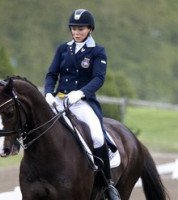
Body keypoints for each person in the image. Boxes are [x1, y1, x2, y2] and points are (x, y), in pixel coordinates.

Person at [44, 9, 120, 200]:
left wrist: (81, 93)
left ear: (89, 29)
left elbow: (98, 78)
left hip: (82, 102)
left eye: (81, 29)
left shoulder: (97, 51)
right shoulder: (63, 49)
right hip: (59, 101)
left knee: (96, 136)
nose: (76, 32)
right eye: (74, 29)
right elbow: (52, 74)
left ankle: (107, 183)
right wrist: (48, 93)